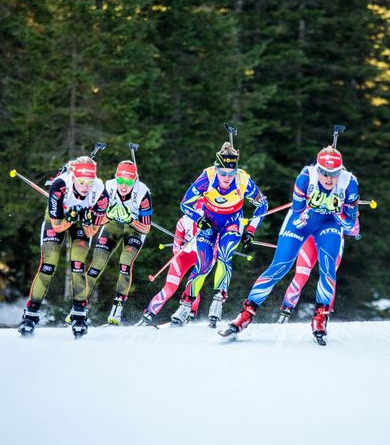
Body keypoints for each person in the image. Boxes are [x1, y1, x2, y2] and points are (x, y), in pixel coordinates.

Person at [221, 145, 359, 345]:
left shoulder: (349, 183)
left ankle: (320, 317)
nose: (329, 179)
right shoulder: (305, 177)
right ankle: (245, 314)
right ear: (318, 169)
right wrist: (315, 206)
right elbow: (298, 214)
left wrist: (338, 212)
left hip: (329, 223)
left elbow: (350, 223)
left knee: (328, 270)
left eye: (334, 173)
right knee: (280, 266)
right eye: (325, 173)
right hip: (301, 222)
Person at [169, 141, 268, 327]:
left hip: (232, 223)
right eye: (223, 173)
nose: (227, 177)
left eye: (231, 173)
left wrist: (251, 230)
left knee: (224, 255)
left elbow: (263, 205)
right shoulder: (207, 177)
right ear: (217, 169)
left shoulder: (243, 180)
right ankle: (185, 305)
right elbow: (184, 204)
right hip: (208, 223)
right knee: (203, 263)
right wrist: (199, 220)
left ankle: (218, 300)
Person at [18, 156, 109, 337]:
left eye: (89, 182)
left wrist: (86, 221)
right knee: (48, 265)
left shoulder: (100, 191)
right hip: (59, 219)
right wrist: (70, 218)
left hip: (79, 224)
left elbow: (92, 232)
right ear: (73, 177)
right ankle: (30, 314)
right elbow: (57, 225)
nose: (86, 187)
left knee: (78, 265)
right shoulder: (59, 185)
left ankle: (79, 314)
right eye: (82, 182)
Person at [82, 160, 152, 325]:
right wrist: (109, 215)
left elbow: (146, 228)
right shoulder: (108, 187)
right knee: (97, 262)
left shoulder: (143, 193)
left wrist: (130, 219)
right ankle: (79, 304)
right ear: (116, 178)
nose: (123, 185)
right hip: (113, 224)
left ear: (135, 180)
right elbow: (98, 220)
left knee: (125, 263)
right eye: (121, 180)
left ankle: (117, 308)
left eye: (128, 181)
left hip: (134, 229)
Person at [276, 216, 360, 323]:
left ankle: (323, 314)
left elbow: (354, 231)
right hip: (311, 239)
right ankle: (286, 309)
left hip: (332, 239)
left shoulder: (345, 203)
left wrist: (353, 217)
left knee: (327, 276)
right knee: (302, 275)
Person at [134, 214, 209, 326]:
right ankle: (147, 315)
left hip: (201, 257)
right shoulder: (184, 221)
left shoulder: (213, 223)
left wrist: (198, 247)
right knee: (169, 287)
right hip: (182, 257)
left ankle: (189, 314)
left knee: (193, 284)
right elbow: (175, 249)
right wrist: (184, 247)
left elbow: (214, 250)